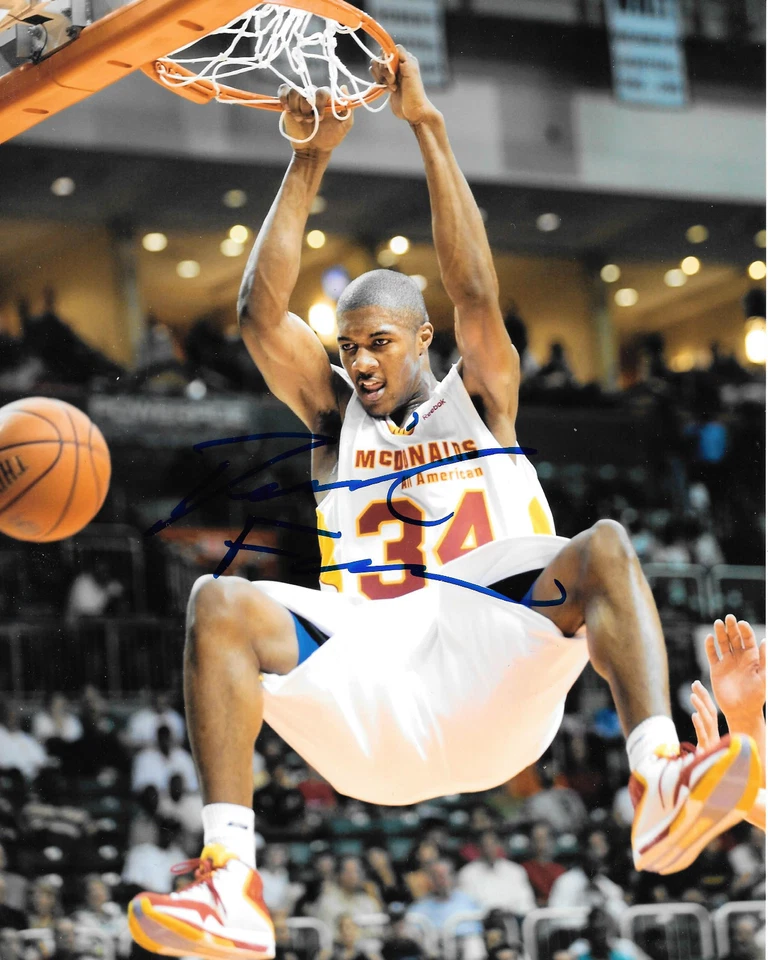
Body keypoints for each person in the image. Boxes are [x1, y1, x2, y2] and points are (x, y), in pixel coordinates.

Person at [128, 47, 761, 960]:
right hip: (374, 687)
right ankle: (231, 882)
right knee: (218, 603)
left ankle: (656, 783)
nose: (361, 364)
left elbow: (474, 289)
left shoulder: (484, 399)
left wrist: (426, 125)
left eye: (379, 342)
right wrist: (309, 160)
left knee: (607, 548)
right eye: (347, 350)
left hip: (487, 664)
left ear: (422, 338)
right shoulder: (332, 419)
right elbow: (261, 320)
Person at [457, 830, 535, 915]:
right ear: (478, 848)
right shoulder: (467, 873)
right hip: (482, 922)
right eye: (485, 846)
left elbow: (526, 903)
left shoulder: (515, 870)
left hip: (514, 919)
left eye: (492, 845)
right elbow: (466, 906)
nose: (489, 849)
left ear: (498, 845)